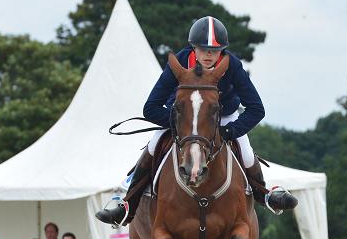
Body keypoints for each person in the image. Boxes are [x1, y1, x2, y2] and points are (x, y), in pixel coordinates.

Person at [94, 16, 298, 227]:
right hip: (184, 117)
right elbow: (151, 107)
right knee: (154, 146)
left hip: (222, 117)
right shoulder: (181, 61)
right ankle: (127, 205)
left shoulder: (233, 66)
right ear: (193, 48)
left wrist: (229, 131)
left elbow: (256, 108)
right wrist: (179, 123)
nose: (209, 54)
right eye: (203, 49)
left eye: (214, 50)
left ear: (223, 50)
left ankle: (264, 194)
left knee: (246, 154)